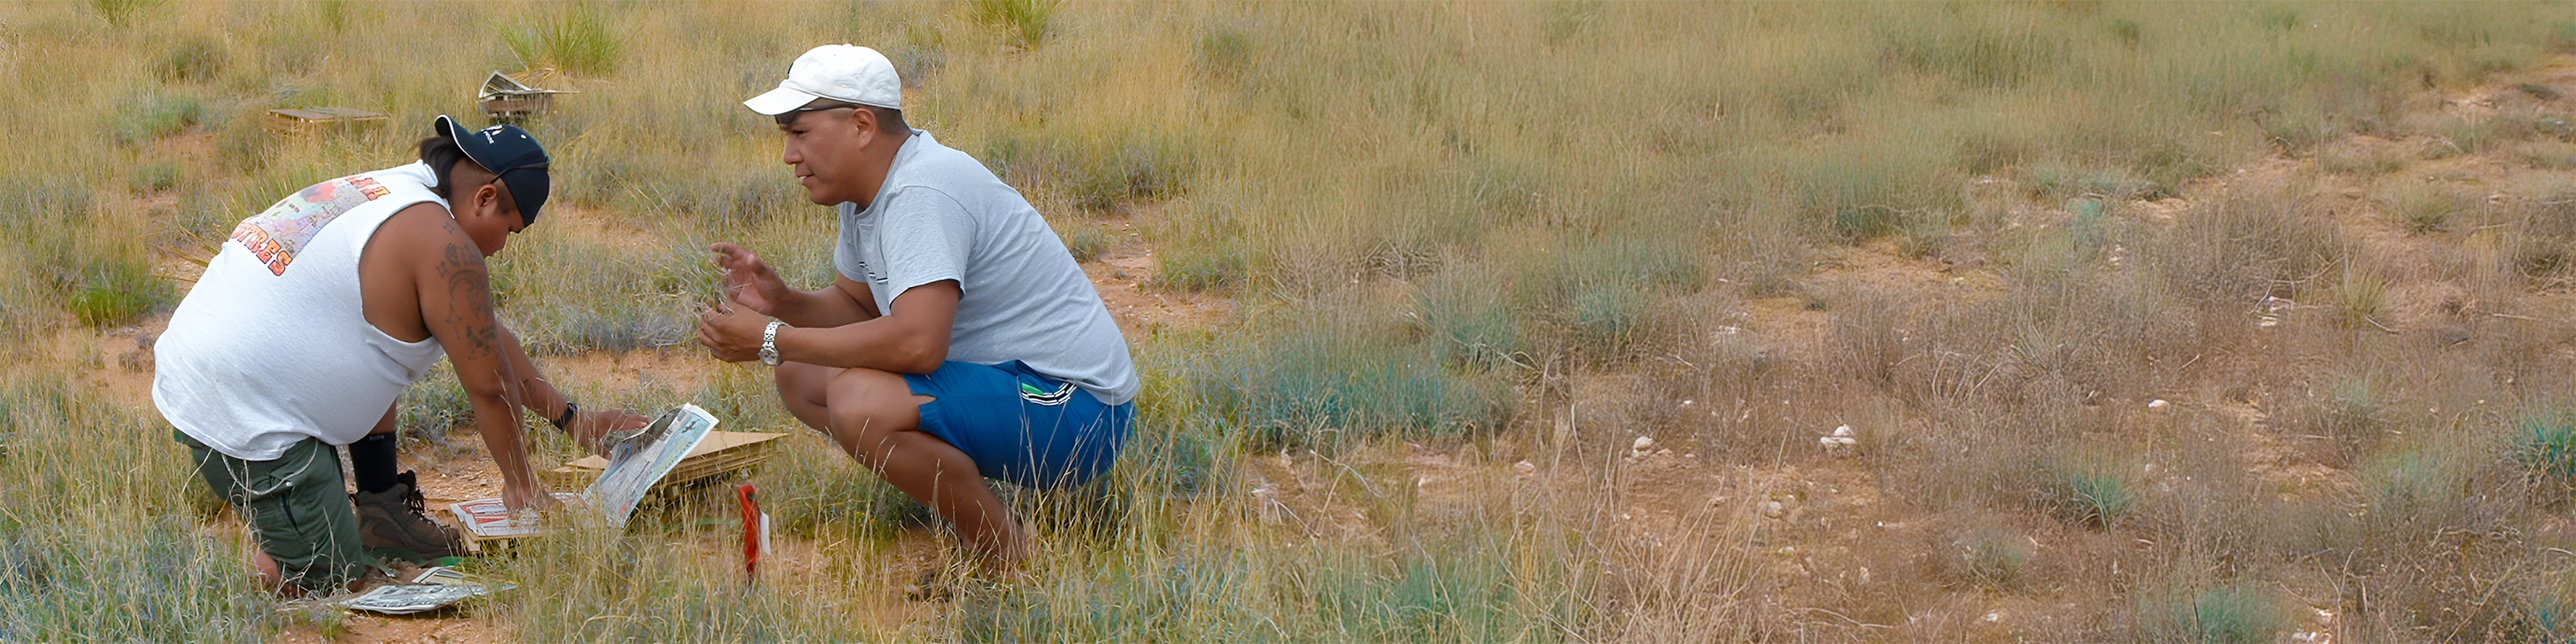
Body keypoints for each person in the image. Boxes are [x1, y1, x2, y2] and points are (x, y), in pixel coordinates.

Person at [153, 116, 648, 595]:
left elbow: (489, 342)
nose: (502, 247)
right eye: (511, 230)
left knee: (384, 346)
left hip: (211, 364)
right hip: (240, 412)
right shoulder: (445, 245)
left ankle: (381, 510)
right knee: (329, 578)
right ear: (485, 197)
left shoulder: (404, 192)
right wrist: (523, 486)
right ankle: (277, 559)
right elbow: (490, 387)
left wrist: (573, 421)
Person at [698, 45, 1140, 566]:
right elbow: (860, 308)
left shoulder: (922, 190)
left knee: (859, 400)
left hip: (1080, 412)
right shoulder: (870, 191)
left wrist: (772, 339)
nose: (789, 155)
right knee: (801, 374)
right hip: (1014, 386)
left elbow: (917, 345)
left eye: (799, 133)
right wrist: (784, 302)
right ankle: (964, 498)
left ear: (862, 125)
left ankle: (1005, 554)